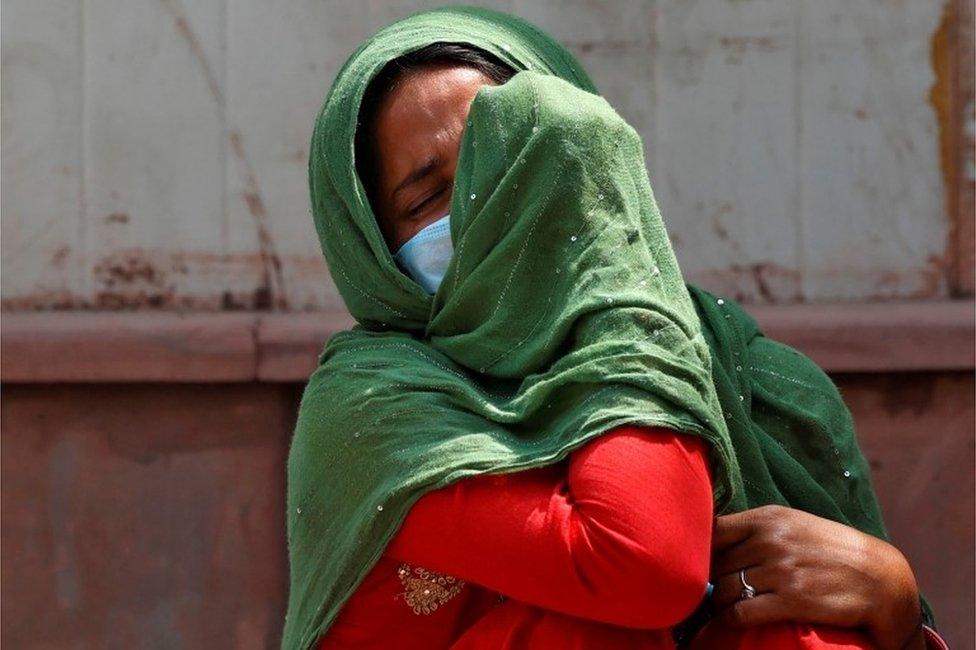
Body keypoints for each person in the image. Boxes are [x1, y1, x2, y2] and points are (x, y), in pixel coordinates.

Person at [283, 7, 948, 650]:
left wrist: (892, 607)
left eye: (515, 161)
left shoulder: (752, 380)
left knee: (795, 629)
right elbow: (644, 562)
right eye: (429, 197)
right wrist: (617, 285)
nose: (491, 210)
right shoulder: (375, 409)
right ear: (368, 244)